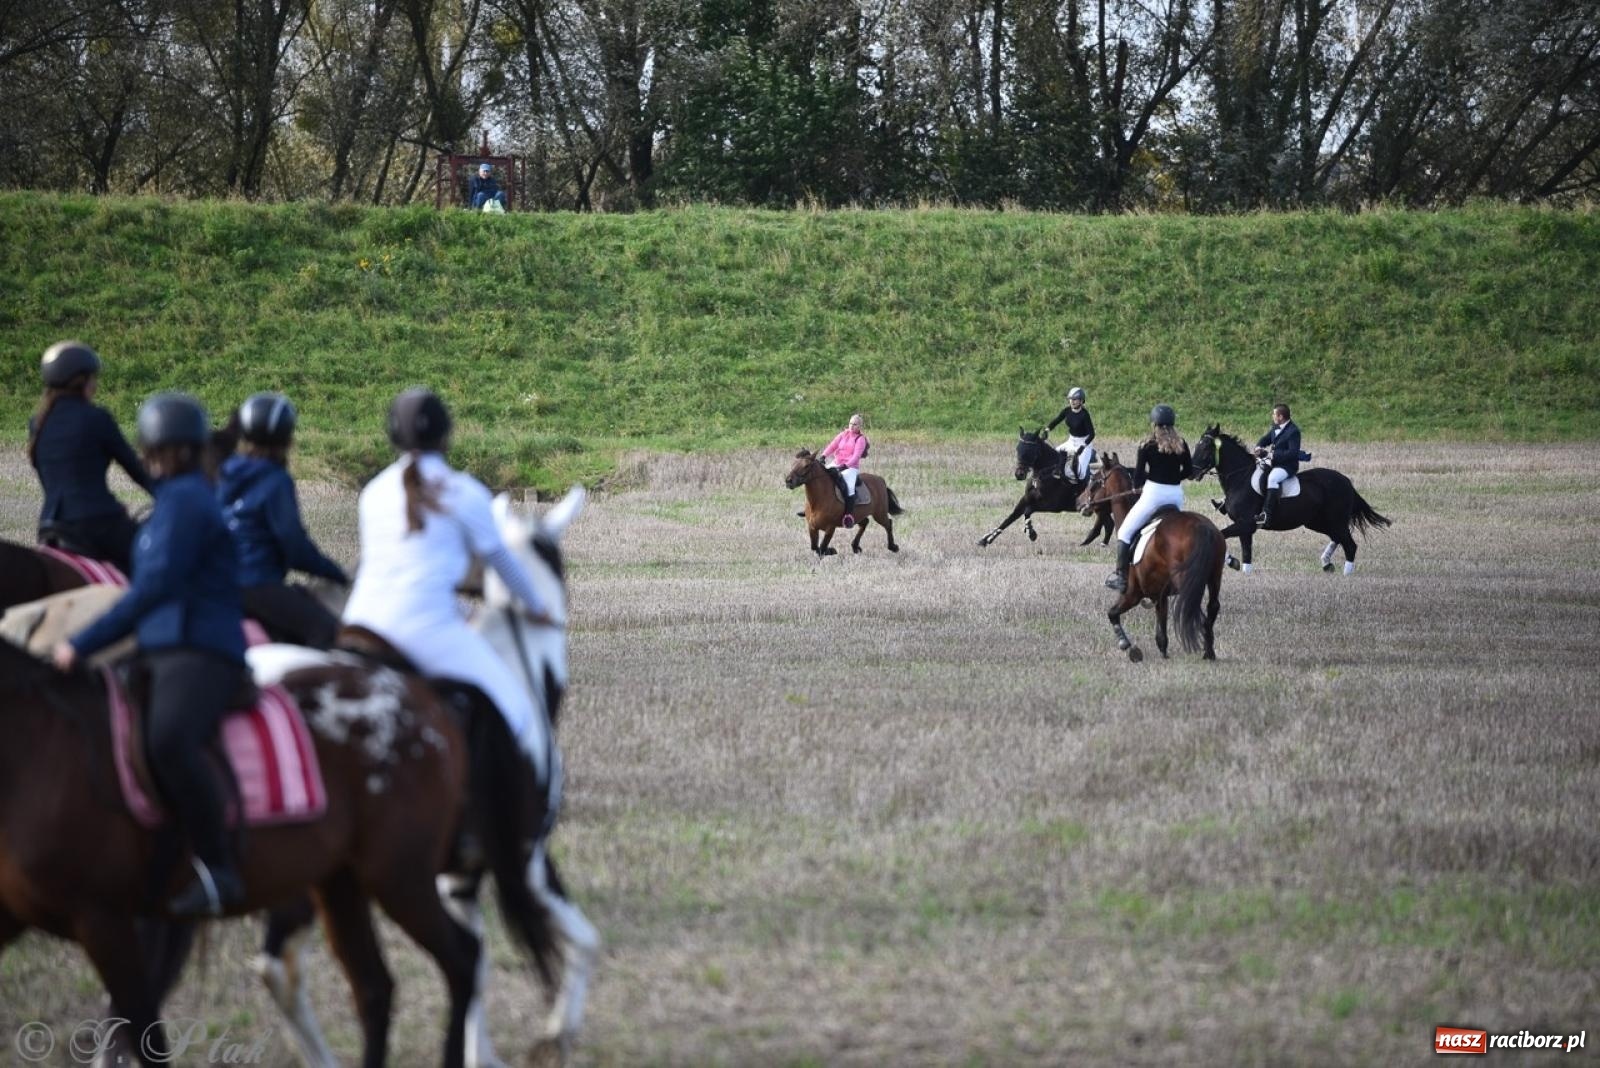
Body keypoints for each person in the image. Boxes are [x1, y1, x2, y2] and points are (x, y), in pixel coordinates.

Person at [52, 393, 248, 918]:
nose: (157, 458)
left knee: (169, 739)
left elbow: (154, 587)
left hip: (201, 648)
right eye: (155, 450)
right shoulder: (170, 504)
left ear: (181, 451)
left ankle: (219, 869)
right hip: (161, 645)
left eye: (164, 450)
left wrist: (81, 643)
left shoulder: (187, 502)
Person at [341, 388, 552, 757]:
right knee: (518, 711)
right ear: (446, 434)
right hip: (425, 627)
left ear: (393, 435)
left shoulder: (372, 493)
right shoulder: (465, 492)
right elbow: (501, 562)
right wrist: (537, 605)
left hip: (359, 623)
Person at [217, 392, 349, 648]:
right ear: (288, 437)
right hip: (256, 583)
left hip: (219, 579)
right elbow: (295, 546)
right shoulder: (276, 480)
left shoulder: (227, 470)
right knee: (325, 629)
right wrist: (335, 573)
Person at [28, 340, 154, 571]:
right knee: (155, 558)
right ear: (82, 380)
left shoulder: (37, 424)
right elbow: (136, 471)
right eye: (93, 378)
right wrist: (169, 494)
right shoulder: (96, 418)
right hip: (99, 524)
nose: (95, 385)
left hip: (49, 526)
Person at [1106, 404, 1192, 592]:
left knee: (1125, 533)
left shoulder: (1147, 445)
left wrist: (1138, 487)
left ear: (1154, 424)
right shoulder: (1182, 444)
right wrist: (1174, 478)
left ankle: (1121, 578)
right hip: (1176, 495)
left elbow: (1138, 476)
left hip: (1153, 494)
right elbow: (1190, 471)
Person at [1253, 403, 1301, 526]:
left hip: (1287, 466)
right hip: (1274, 462)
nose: (1272, 416)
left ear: (1280, 416)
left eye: (1274, 414)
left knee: (1272, 478)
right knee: (1253, 470)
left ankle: (1266, 514)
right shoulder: (1276, 426)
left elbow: (1292, 453)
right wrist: (1259, 446)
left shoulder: (1293, 431)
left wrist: (1272, 455)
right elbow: (1266, 438)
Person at [1045, 386, 1096, 482]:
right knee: (1054, 455)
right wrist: (1047, 430)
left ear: (1081, 401)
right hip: (1071, 441)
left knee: (1081, 473)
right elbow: (1057, 420)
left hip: (1084, 443)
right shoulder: (1067, 411)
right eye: (1070, 399)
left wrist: (1083, 446)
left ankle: (1091, 479)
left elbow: (1092, 434)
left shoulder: (1084, 415)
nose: (1072, 401)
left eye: (1075, 399)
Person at [820, 413, 869, 510]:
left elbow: (856, 457)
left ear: (860, 426)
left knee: (850, 488)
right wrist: (823, 456)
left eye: (855, 424)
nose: (851, 426)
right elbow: (833, 446)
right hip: (837, 463)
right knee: (821, 477)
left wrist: (845, 466)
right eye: (850, 423)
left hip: (850, 468)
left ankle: (849, 514)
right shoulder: (843, 434)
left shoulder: (861, 439)